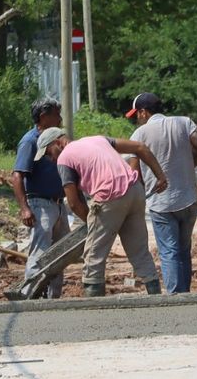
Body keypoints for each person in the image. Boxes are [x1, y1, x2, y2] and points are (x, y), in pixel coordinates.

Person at [37, 127, 167, 297]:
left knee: (93, 256)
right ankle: (156, 297)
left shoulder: (64, 158)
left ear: (57, 143)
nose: (50, 159)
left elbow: (74, 203)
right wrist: (160, 176)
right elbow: (140, 147)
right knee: (139, 251)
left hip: (110, 196)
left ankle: (96, 309)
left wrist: (93, 224)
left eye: (48, 153)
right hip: (135, 191)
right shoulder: (97, 140)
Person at [126, 92, 197, 293]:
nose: (137, 119)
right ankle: (185, 294)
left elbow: (134, 174)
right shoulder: (183, 123)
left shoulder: (139, 135)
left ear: (144, 112)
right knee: (183, 250)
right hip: (188, 199)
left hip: (161, 204)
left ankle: (174, 297)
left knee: (169, 252)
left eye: (137, 114)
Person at [11, 98, 68, 298]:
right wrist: (25, 208)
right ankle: (30, 297)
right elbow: (17, 175)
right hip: (41, 204)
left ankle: (53, 298)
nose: (60, 119)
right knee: (40, 253)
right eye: (56, 115)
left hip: (59, 204)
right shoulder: (30, 141)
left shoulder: (56, 139)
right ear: (44, 117)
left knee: (60, 254)